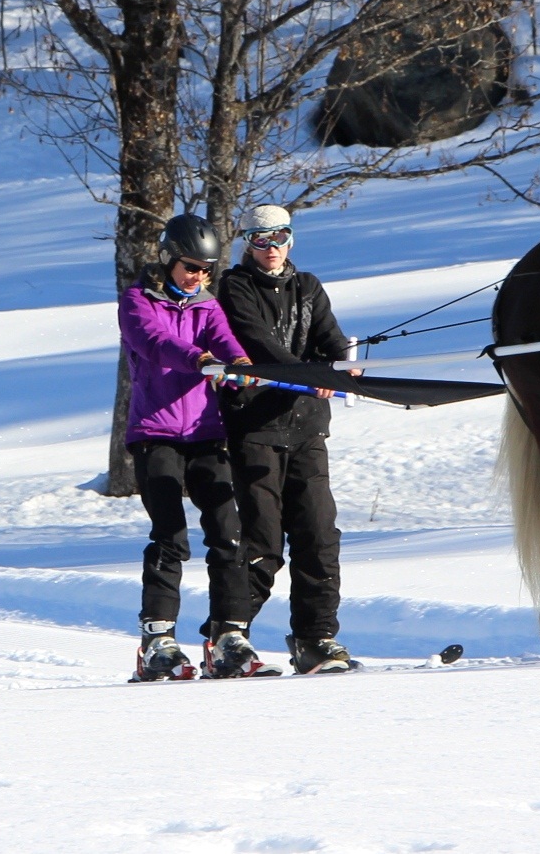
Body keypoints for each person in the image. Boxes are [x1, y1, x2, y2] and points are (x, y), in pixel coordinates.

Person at [216, 205, 361, 675]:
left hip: (307, 430)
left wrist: (342, 365)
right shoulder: (235, 286)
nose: (271, 248)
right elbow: (258, 344)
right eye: (260, 240)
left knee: (319, 535)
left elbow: (330, 339)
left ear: (291, 240)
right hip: (255, 428)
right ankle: (229, 636)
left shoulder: (308, 286)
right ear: (247, 244)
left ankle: (315, 638)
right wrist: (306, 373)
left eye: (279, 237)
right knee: (261, 539)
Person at [120, 214, 264, 680]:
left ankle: (229, 637)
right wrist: (200, 359)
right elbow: (154, 343)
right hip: (156, 434)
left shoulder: (206, 305)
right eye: (190, 267)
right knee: (170, 535)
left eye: (206, 269)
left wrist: (239, 362)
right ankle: (158, 640)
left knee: (228, 530)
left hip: (205, 432)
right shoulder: (138, 300)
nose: (198, 276)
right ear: (167, 258)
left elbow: (225, 340)